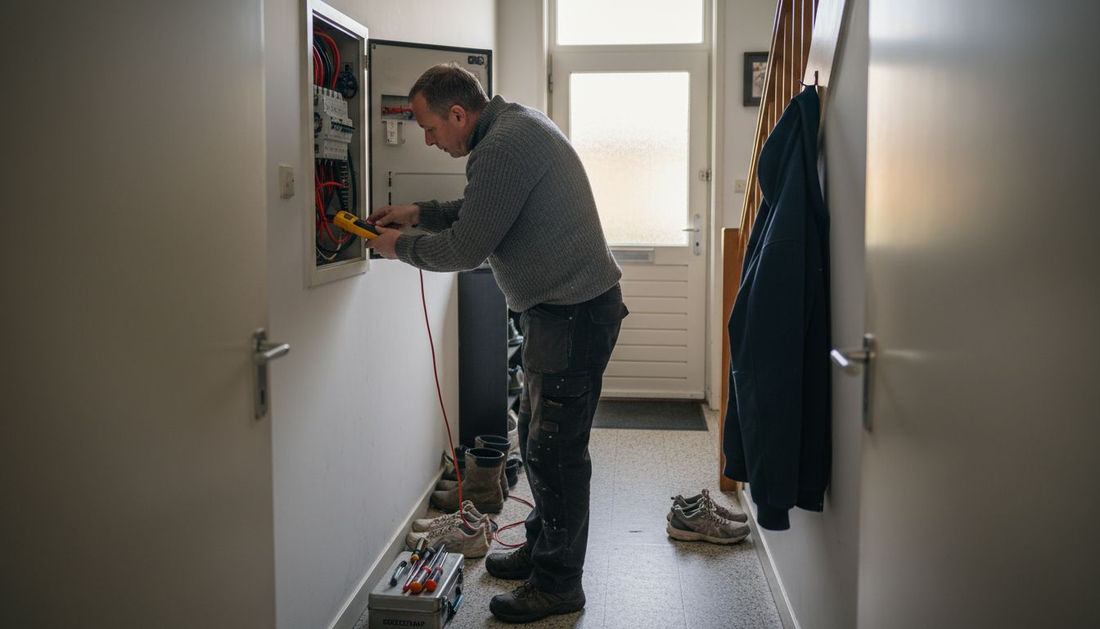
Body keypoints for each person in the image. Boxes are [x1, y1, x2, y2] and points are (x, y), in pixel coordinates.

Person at [365, 63, 627, 624]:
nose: (429, 141)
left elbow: (466, 247)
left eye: (430, 128)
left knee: (553, 452)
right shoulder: (511, 129)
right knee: (536, 437)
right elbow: (483, 208)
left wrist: (398, 248)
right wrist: (418, 214)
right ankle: (541, 550)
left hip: (572, 316)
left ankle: (559, 585)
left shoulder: (505, 145)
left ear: (459, 114)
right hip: (560, 313)